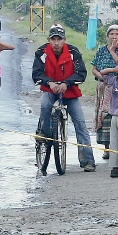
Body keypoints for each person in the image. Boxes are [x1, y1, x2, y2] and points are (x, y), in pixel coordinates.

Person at [32, 24, 96, 172]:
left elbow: (81, 73)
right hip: (50, 89)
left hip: (70, 90)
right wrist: (50, 83)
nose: (56, 43)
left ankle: (87, 160)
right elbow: (36, 74)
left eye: (59, 39)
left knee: (80, 123)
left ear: (64, 40)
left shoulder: (73, 52)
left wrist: (67, 83)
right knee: (44, 106)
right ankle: (45, 134)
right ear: (49, 40)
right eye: (53, 39)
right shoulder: (41, 52)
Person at [91, 25, 118, 157]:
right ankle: (107, 148)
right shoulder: (101, 50)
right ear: (108, 36)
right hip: (103, 87)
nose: (114, 37)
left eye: (117, 34)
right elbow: (94, 68)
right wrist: (102, 77)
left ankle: (117, 148)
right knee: (104, 116)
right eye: (112, 34)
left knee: (117, 117)